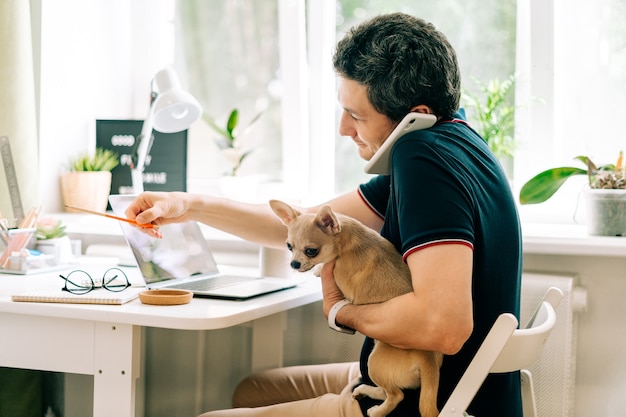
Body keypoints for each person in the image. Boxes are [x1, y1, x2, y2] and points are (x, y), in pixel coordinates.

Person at [126, 12, 522, 417]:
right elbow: (305, 226)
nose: (343, 129)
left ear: (413, 114)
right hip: (442, 383)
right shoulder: (451, 140)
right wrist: (188, 205)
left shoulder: (422, 158)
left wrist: (339, 310)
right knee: (252, 388)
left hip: (437, 399)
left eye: (358, 116)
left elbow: (445, 327)